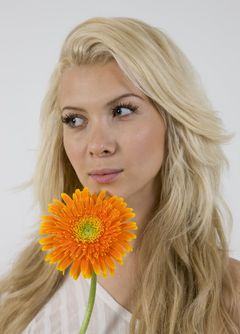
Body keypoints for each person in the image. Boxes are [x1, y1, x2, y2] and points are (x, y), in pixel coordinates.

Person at [0, 17, 239, 334]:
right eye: (74, 120)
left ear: (174, 121)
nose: (98, 145)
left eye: (122, 111)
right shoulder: (22, 292)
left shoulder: (228, 298)